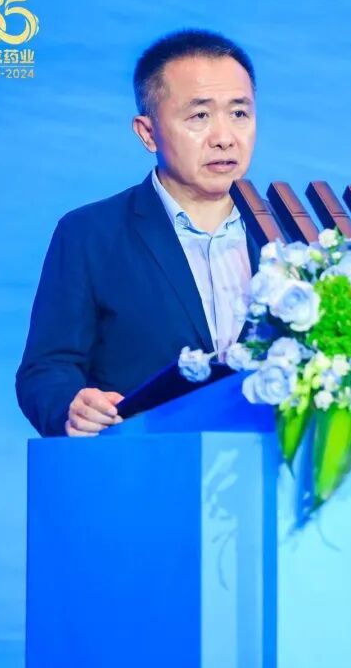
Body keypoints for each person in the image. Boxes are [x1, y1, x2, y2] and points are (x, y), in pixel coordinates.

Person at [16, 29, 260, 437]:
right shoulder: (91, 234)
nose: (224, 138)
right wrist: (72, 406)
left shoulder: (290, 240)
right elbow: (47, 369)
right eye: (200, 116)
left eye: (239, 114)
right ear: (148, 133)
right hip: (143, 461)